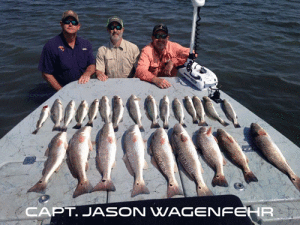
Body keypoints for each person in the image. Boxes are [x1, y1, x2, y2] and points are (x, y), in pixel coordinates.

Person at [38, 10, 96, 91]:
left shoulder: (86, 44)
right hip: (62, 90)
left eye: (74, 22)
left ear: (78, 26)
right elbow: (46, 73)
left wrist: (87, 73)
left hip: (84, 88)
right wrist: (61, 91)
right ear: (61, 24)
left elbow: (92, 65)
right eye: (67, 21)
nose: (70, 24)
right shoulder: (51, 45)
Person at [135, 24, 191, 89]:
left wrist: (173, 62)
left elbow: (193, 54)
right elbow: (140, 70)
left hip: (170, 84)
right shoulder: (147, 50)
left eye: (163, 36)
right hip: (151, 83)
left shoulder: (174, 47)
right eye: (157, 36)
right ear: (152, 38)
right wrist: (155, 80)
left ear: (167, 38)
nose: (160, 39)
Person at [96, 16, 140, 81]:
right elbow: (99, 70)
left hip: (129, 84)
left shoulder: (133, 48)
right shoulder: (102, 50)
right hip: (109, 84)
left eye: (118, 27)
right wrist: (100, 74)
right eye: (112, 27)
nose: (115, 30)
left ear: (123, 29)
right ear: (108, 30)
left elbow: (139, 69)